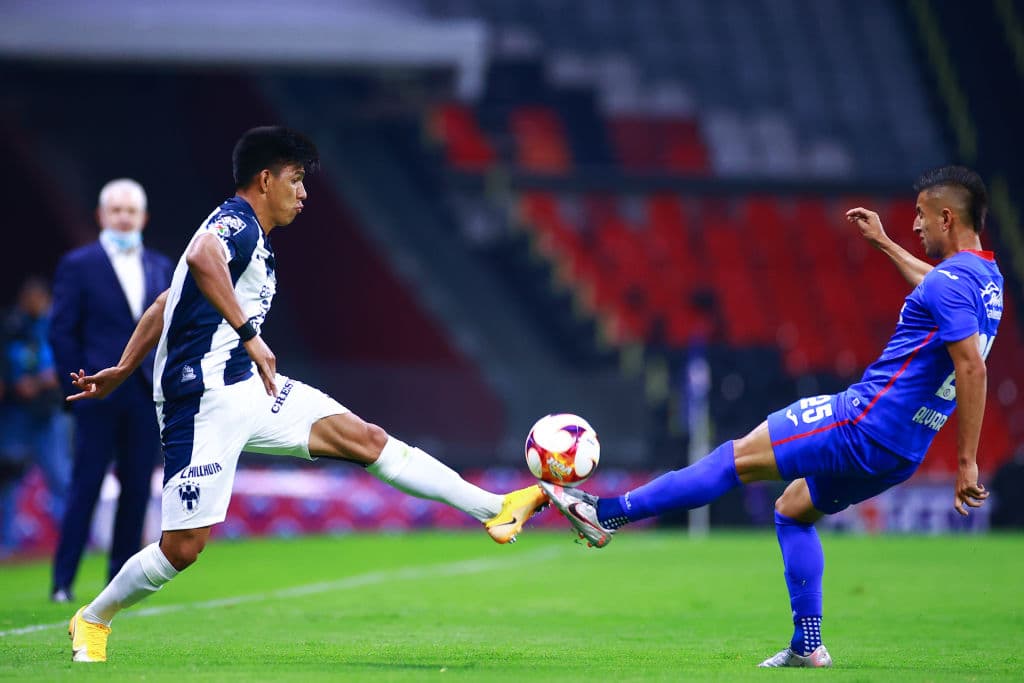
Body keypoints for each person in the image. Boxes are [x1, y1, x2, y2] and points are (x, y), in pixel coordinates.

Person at [64, 126, 547, 663]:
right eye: (295, 180)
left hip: (250, 389)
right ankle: (93, 618)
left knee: (366, 439)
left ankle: (494, 507)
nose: (303, 192)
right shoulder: (234, 225)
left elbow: (165, 298)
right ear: (265, 179)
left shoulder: (253, 237)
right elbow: (201, 257)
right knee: (183, 548)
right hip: (200, 401)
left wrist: (125, 367)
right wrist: (251, 335)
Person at [541, 166, 1001, 668]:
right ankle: (808, 645)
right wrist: (885, 244)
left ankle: (605, 513)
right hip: (902, 448)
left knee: (733, 459)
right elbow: (937, 289)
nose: (916, 225)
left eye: (920, 216)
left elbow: (971, 366)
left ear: (947, 216)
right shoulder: (985, 279)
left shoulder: (951, 283)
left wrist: (967, 463)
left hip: (863, 420)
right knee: (792, 509)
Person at [49, 179, 174, 603]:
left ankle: (117, 585)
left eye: (131, 210)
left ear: (143, 218)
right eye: (116, 210)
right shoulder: (77, 265)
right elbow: (62, 331)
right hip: (96, 394)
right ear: (102, 216)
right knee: (85, 486)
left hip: (143, 394)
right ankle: (62, 582)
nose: (123, 216)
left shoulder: (161, 265)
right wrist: (77, 385)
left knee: (137, 489)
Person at [0, 277, 71, 555]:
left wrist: (43, 382)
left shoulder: (57, 326)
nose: (33, 303)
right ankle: (6, 543)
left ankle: (69, 541)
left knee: (60, 477)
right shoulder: (10, 327)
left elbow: (67, 365)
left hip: (49, 412)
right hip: (16, 414)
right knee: (8, 479)